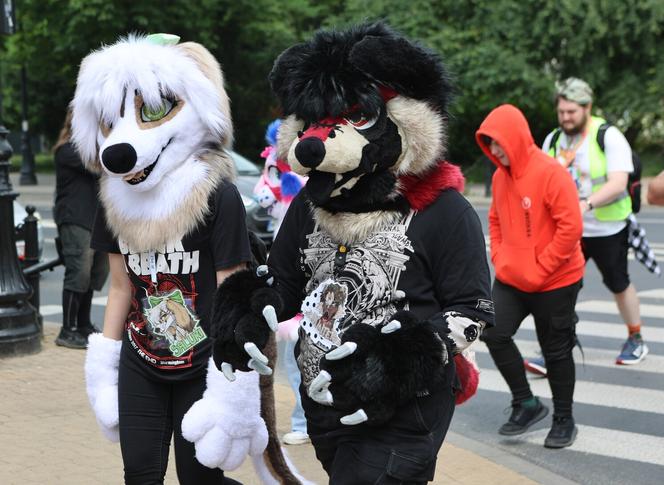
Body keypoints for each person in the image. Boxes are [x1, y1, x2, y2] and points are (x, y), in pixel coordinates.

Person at [72, 34, 299, 484]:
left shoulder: (218, 196)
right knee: (140, 472)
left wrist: (230, 381)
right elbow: (121, 287)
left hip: (203, 361)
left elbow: (232, 289)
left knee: (198, 478)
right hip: (143, 358)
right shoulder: (116, 200)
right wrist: (103, 365)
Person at [477, 104, 585, 448]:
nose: (495, 150)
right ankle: (526, 403)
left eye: (499, 143)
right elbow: (494, 220)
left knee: (556, 351)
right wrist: (500, 255)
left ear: (516, 139)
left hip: (556, 280)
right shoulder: (498, 176)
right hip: (513, 277)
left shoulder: (550, 172)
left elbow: (571, 229)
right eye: (489, 143)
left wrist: (541, 268)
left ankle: (564, 420)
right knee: (493, 332)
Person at [538, 77, 649, 366]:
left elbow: (618, 183)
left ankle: (635, 338)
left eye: (571, 112)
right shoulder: (552, 140)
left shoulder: (607, 136)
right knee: (562, 287)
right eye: (561, 112)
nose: (565, 118)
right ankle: (558, 345)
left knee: (618, 282)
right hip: (567, 230)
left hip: (607, 227)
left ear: (587, 108)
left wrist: (584, 205)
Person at [53, 109, 108, 349]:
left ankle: (83, 324)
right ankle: (67, 329)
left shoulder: (90, 149)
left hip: (97, 221)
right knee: (79, 272)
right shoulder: (67, 151)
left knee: (96, 273)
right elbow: (101, 166)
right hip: (76, 219)